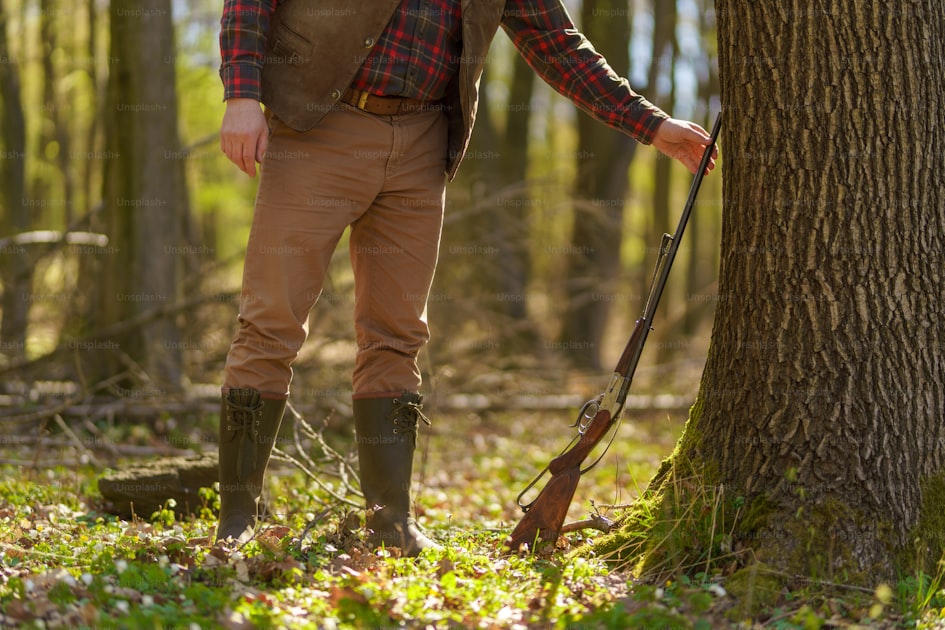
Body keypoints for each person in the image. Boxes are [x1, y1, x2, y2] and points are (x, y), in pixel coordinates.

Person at [215, 0, 717, 555]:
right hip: (316, 124)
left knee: (396, 336)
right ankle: (238, 518)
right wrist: (241, 94)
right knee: (270, 324)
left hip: (422, 142)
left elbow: (558, 44)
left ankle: (391, 522)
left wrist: (650, 125)